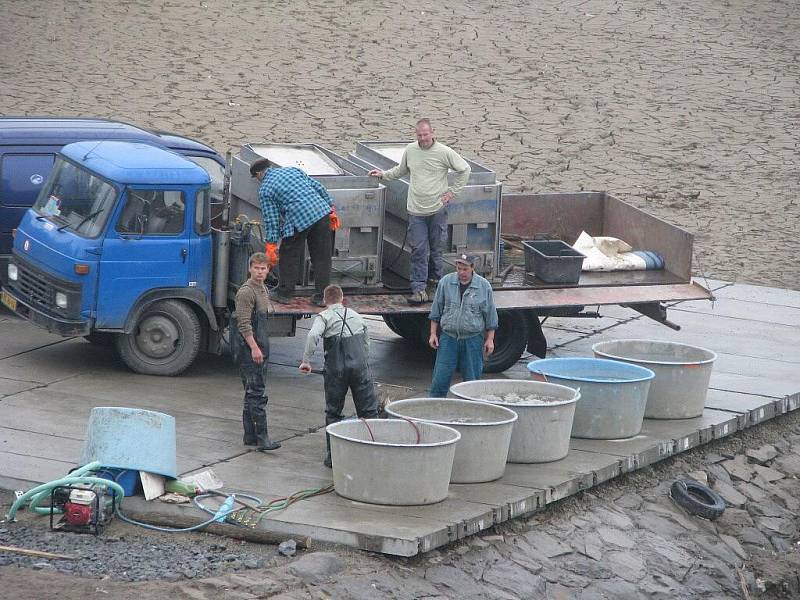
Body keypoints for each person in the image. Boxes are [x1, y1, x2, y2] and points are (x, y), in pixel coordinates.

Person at [368, 118, 471, 304]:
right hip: (415, 211)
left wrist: (451, 192)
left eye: (425, 134)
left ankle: (435, 285)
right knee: (418, 250)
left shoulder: (444, 152)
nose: (423, 138)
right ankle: (418, 289)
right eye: (419, 135)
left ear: (433, 133)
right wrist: (383, 174)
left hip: (437, 209)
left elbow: (465, 169)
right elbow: (400, 170)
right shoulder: (410, 150)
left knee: (437, 249)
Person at [299, 284, 378, 467]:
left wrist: (306, 361)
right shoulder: (356, 316)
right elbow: (366, 339)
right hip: (360, 367)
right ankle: (371, 452)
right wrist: (363, 360)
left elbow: (312, 336)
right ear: (343, 300)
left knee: (333, 412)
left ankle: (333, 457)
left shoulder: (324, 316)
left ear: (325, 301)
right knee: (368, 412)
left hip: (337, 370)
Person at [250, 158, 339, 307]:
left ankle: (284, 293)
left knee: (288, 254)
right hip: (322, 213)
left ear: (259, 173)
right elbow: (319, 187)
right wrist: (331, 207)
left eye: (256, 177)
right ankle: (322, 297)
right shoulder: (292, 170)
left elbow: (272, 219)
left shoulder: (265, 189)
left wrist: (271, 244)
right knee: (322, 257)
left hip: (300, 218)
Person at [428, 253, 498, 397]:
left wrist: (490, 339)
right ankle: (434, 410)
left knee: (472, 383)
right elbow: (436, 310)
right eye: (459, 268)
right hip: (448, 339)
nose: (461, 272)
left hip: (472, 339)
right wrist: (433, 334)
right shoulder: (445, 283)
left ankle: (471, 412)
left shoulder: (484, 287)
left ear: (472, 268)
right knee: (439, 380)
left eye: (465, 269)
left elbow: (490, 315)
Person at [233, 252, 281, 451]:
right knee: (256, 394)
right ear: (250, 268)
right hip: (250, 349)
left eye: (264, 268)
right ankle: (263, 439)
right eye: (257, 268)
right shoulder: (246, 292)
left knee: (250, 393)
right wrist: (254, 348)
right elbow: (244, 324)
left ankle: (250, 437)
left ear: (268, 270)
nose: (260, 272)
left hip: (260, 345)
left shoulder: (262, 289)